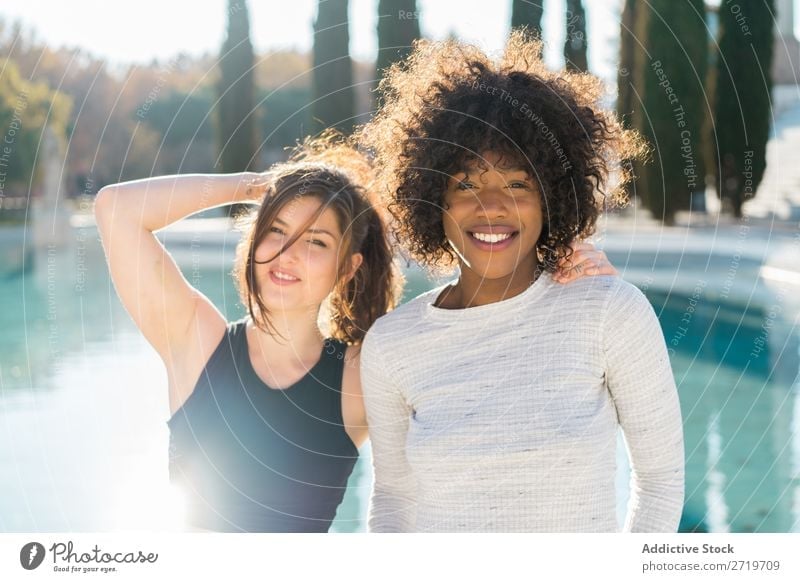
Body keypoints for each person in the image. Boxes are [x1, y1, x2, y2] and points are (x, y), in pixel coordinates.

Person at [358, 32, 685, 533]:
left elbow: (660, 483)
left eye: (517, 184)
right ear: (431, 196)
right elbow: (393, 500)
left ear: (553, 197)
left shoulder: (610, 312)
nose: (492, 206)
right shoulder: (392, 344)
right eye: (465, 184)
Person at [94, 141, 399, 532]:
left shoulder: (359, 376)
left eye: (316, 241)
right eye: (276, 229)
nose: (287, 252)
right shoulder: (198, 342)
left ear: (347, 268)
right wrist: (252, 186)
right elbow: (116, 209)